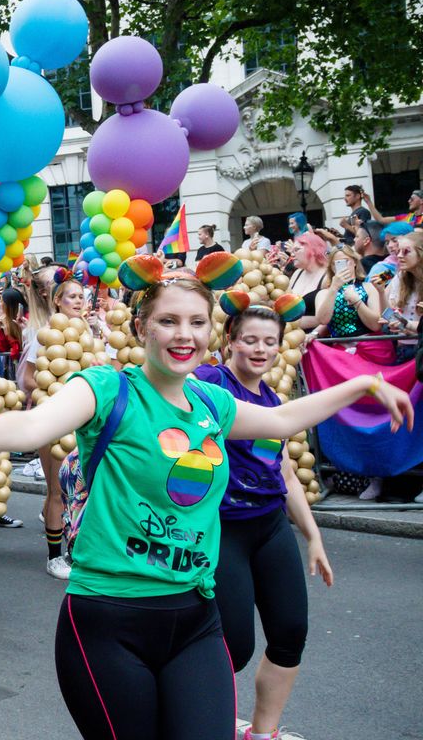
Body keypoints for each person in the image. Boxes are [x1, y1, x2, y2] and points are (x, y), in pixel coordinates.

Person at [0, 259, 412, 740]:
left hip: (195, 620)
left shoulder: (213, 403)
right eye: (168, 321)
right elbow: (33, 424)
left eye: (196, 322)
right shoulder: (106, 389)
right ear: (142, 328)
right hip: (107, 623)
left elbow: (280, 420)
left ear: (211, 332)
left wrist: (363, 383)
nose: (184, 335)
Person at [195, 301, 333, 740]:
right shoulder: (211, 381)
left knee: (291, 631)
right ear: (230, 341)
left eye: (269, 342)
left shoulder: (273, 400)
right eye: (249, 339)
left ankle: (262, 733)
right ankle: (206, 724)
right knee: (232, 646)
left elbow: (286, 473)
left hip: (271, 525)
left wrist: (313, 537)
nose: (260, 349)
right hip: (225, 528)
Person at [21, 271, 89, 579]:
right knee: (57, 491)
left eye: (81, 296)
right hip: (55, 420)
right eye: (71, 296)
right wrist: (55, 387)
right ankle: (53, 557)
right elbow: (26, 378)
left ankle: (78, 551)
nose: (78, 300)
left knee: (86, 492)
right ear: (57, 300)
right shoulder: (44, 334)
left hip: (85, 422)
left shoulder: (89, 332)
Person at [314, 245, 381, 339]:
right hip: (339, 349)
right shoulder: (324, 293)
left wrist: (357, 302)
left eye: (346, 261)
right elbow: (322, 320)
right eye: (336, 263)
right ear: (332, 267)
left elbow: (376, 326)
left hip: (369, 343)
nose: (342, 266)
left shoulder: (369, 288)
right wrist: (334, 288)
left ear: (354, 262)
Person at [286, 233, 329, 331]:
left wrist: (314, 334)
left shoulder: (327, 276)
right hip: (292, 336)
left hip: (315, 338)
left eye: (296, 250)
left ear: (313, 250)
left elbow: (329, 315)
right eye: (292, 251)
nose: (292, 254)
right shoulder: (297, 273)